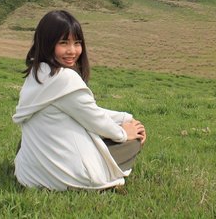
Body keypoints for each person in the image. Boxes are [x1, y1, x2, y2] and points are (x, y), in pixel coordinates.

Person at [12, 10, 146, 191]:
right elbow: (96, 120)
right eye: (63, 43)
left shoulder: (37, 73)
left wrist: (124, 118)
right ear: (47, 44)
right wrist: (125, 133)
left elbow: (87, 110)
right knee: (133, 142)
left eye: (77, 43)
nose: (72, 51)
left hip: (30, 174)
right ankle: (99, 174)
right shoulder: (65, 78)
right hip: (70, 177)